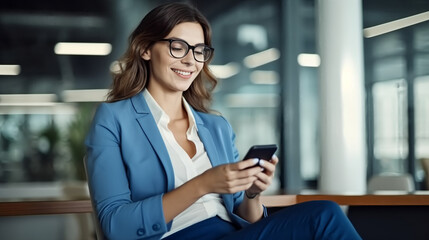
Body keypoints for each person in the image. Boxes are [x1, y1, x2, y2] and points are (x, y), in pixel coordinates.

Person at [84, 2, 362, 240]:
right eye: (178, 47)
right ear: (145, 48)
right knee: (323, 215)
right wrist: (202, 184)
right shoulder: (114, 119)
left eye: (199, 50)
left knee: (324, 214)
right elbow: (115, 226)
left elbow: (248, 218)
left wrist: (252, 194)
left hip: (231, 233)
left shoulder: (216, 127)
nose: (191, 61)